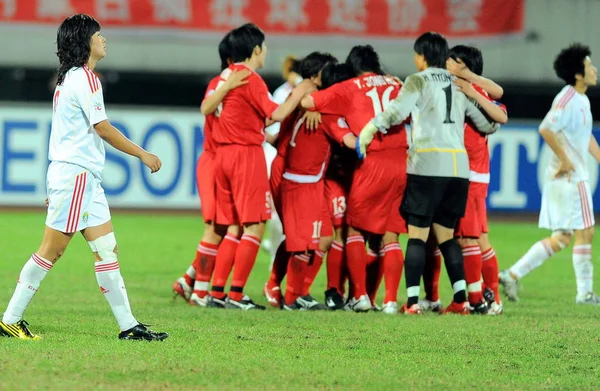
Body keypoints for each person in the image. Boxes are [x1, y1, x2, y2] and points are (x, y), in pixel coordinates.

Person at [0, 14, 167, 340]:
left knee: (106, 250)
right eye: (99, 35)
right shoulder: (86, 79)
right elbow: (102, 128)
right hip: (77, 177)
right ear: (85, 42)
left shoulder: (69, 80)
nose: (104, 39)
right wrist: (142, 153)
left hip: (80, 179)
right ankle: (10, 318)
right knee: (51, 250)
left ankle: (129, 326)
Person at [357, 32, 499, 314]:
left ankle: (411, 303)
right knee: (447, 237)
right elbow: (487, 124)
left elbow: (397, 112)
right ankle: (460, 300)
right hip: (458, 169)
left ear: (422, 56)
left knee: (418, 237)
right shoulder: (458, 83)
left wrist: (371, 128)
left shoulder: (417, 80)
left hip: (427, 165)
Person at [209, 23, 314, 310]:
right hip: (246, 155)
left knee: (233, 227)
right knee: (255, 226)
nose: (266, 52)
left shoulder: (226, 75)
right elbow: (277, 113)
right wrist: (300, 89)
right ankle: (236, 294)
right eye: (264, 47)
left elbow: (222, 111)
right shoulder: (251, 78)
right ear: (256, 49)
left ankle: (217, 291)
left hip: (223, 156)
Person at [301, 45, 408, 314]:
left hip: (371, 162)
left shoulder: (349, 86)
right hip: (402, 161)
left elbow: (307, 102)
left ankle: (359, 296)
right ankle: (391, 302)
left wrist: (318, 103)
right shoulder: (396, 83)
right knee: (390, 235)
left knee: (355, 230)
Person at [500, 43, 600, 305]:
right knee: (586, 231)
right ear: (578, 74)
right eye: (589, 65)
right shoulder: (567, 98)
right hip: (571, 178)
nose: (594, 69)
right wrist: (566, 160)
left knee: (563, 237)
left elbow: (583, 133)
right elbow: (545, 129)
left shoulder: (582, 100)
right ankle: (585, 294)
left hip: (565, 179)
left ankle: (512, 274)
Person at [420, 45, 508, 315]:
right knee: (441, 237)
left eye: (453, 62)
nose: (447, 65)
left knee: (470, 239)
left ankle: (476, 299)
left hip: (468, 175)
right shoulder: (448, 88)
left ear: (465, 67)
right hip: (449, 171)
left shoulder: (475, 91)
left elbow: (500, 108)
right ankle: (440, 296)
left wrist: (469, 84)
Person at [172, 32, 249, 305]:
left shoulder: (235, 83)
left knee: (226, 227)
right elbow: (206, 108)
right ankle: (202, 291)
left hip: (222, 161)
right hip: (216, 160)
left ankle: (191, 279)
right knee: (221, 229)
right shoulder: (221, 83)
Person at [261, 56, 303, 265]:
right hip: (279, 156)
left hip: (296, 160)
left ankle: (280, 250)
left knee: (288, 213)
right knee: (278, 213)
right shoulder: (282, 93)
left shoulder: (297, 91)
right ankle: (275, 258)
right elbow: (273, 128)